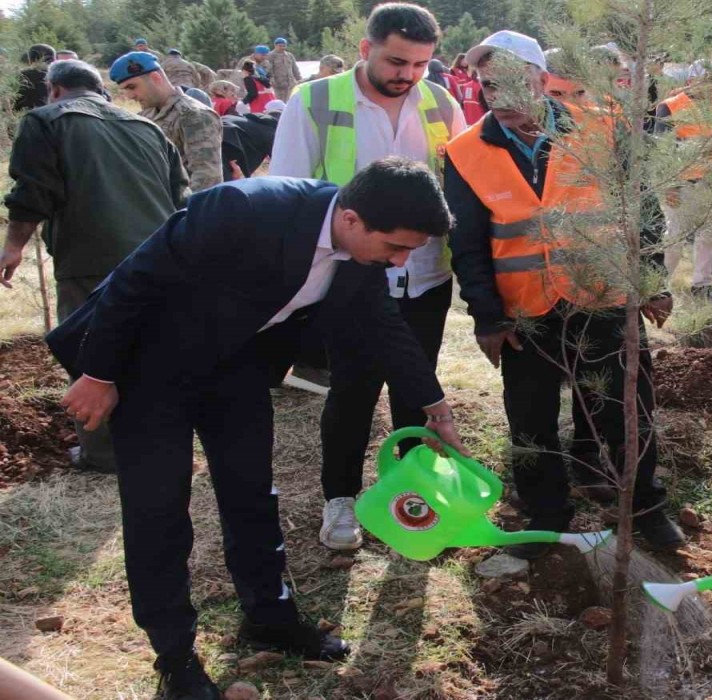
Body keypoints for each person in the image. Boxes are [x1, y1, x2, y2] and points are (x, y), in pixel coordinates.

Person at [45, 158, 462, 700]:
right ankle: (175, 656)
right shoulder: (244, 208)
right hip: (150, 371)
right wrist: (98, 373)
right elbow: (134, 281)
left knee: (252, 495)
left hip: (236, 369)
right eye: (396, 247)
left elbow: (385, 328)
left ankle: (270, 615)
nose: (401, 261)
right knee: (158, 510)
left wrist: (436, 408)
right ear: (353, 219)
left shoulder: (361, 255)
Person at [445, 30, 683, 559]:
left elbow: (641, 209)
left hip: (603, 296)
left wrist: (651, 281)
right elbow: (466, 243)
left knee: (625, 406)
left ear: (540, 77)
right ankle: (547, 514)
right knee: (529, 418)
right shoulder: (464, 153)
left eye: (511, 82)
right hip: (523, 308)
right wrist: (486, 317)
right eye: (488, 85)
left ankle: (644, 506)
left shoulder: (603, 126)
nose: (500, 96)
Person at [272, 1, 465, 551]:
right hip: (349, 275)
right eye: (397, 61)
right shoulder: (315, 100)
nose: (407, 75)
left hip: (424, 275)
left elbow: (459, 186)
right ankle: (341, 500)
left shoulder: (441, 103)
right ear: (366, 48)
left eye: (421, 65)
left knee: (416, 385)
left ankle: (415, 497)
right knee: (354, 389)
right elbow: (290, 192)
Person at [1, 59, 187, 474]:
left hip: (90, 260)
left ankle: (103, 453)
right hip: (158, 259)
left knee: (91, 356)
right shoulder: (147, 127)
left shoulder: (46, 120)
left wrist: (12, 248)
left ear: (53, 89)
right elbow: (181, 197)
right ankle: (158, 443)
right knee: (150, 353)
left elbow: (33, 191)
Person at [654, 74, 712, 303]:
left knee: (710, 235)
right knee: (674, 236)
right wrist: (668, 185)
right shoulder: (671, 106)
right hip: (681, 183)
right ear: (692, 80)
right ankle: (659, 286)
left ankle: (702, 284)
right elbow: (662, 149)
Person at [112, 51, 224, 193]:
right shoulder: (146, 114)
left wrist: (184, 214)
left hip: (180, 209)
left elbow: (207, 179)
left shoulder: (194, 115)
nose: (129, 96)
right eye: (125, 90)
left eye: (132, 87)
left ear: (156, 78)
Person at [222, 100, 286, 180]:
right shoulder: (272, 131)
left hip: (211, 134)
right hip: (227, 150)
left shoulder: (249, 121)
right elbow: (281, 168)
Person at [15, 44, 54, 112]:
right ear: (54, 60)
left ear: (30, 59)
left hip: (25, 117)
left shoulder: (18, 76)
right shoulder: (60, 77)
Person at [449, 53, 486, 124]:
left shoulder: (468, 81)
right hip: (461, 95)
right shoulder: (454, 70)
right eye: (464, 60)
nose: (466, 62)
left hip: (468, 117)